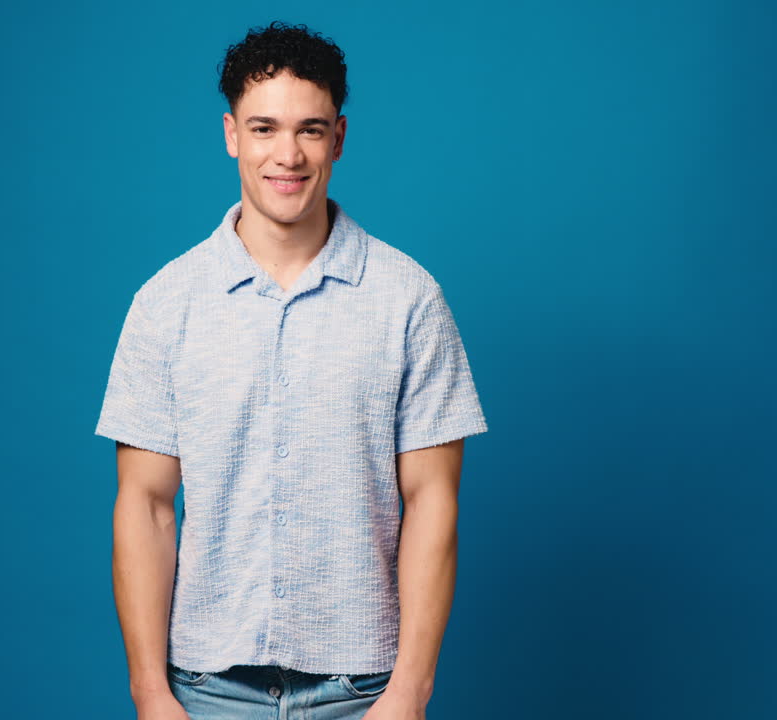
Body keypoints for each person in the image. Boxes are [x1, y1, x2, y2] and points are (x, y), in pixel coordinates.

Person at [95, 20, 487, 720]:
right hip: (205, 691)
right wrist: (150, 693)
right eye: (264, 128)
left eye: (309, 130)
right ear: (231, 135)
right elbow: (147, 505)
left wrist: (410, 693)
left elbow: (434, 502)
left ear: (338, 137)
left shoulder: (408, 299)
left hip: (364, 693)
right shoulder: (165, 304)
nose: (288, 155)